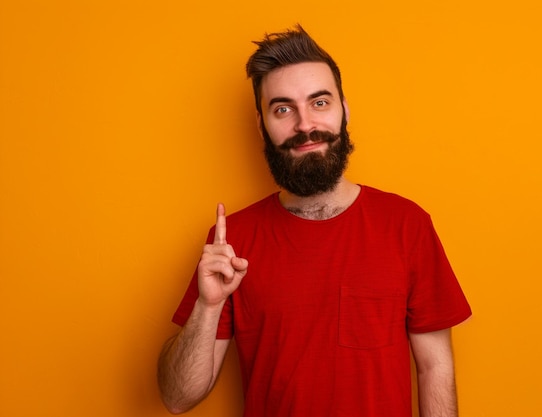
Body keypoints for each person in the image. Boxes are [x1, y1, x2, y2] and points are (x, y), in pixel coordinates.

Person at [157, 25, 471, 417]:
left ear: (344, 110)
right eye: (283, 109)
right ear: (262, 125)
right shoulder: (231, 241)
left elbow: (435, 367)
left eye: (319, 102)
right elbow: (176, 398)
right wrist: (207, 307)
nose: (304, 125)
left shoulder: (407, 225)